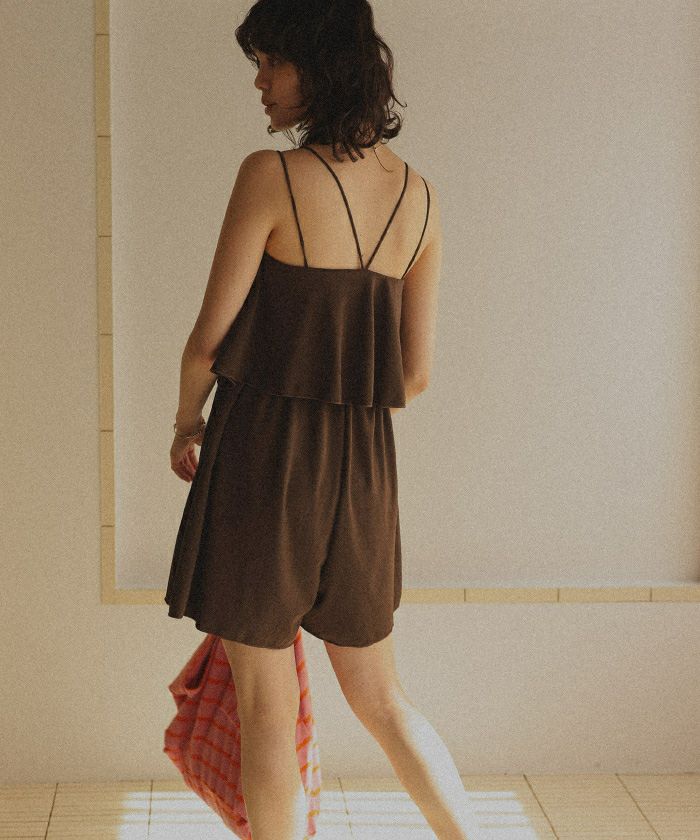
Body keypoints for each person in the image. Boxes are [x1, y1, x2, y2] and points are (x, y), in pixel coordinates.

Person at [165, 2, 473, 838]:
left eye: (273, 62)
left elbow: (207, 342)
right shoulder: (420, 197)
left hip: (264, 455)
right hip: (364, 470)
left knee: (267, 705)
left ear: (323, 65)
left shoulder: (270, 176)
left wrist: (187, 422)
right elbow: (414, 374)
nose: (260, 83)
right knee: (382, 697)